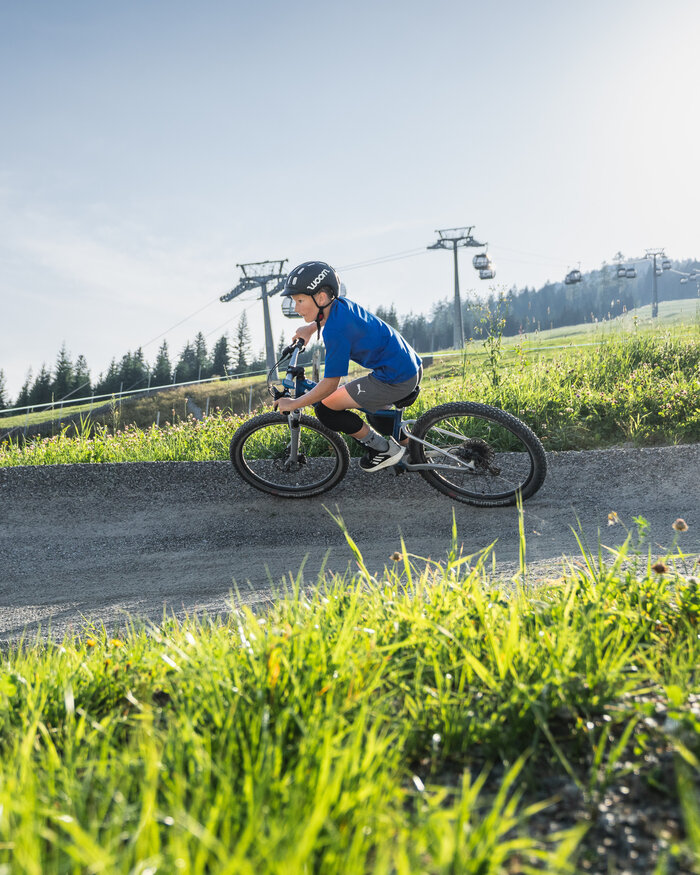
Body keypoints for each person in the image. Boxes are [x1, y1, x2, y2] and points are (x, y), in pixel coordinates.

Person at [274, 261, 422, 472]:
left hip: (395, 378)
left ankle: (383, 450)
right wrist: (309, 328)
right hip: (407, 366)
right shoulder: (341, 305)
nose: (296, 307)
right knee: (377, 415)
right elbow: (329, 317)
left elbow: (329, 385)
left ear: (321, 298)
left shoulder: (335, 332)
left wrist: (295, 403)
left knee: (326, 408)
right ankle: (416, 452)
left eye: (299, 300)